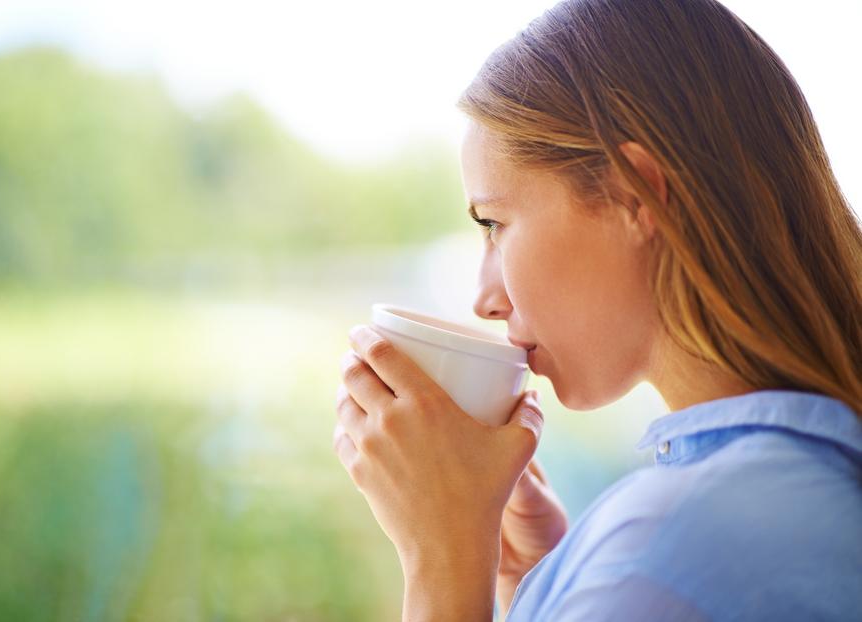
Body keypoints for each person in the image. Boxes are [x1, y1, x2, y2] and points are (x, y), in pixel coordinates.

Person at [333, 0, 862, 619]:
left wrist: (442, 558)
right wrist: (541, 578)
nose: (485, 298)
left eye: (494, 223)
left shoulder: (667, 555)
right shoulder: (800, 482)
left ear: (631, 194)